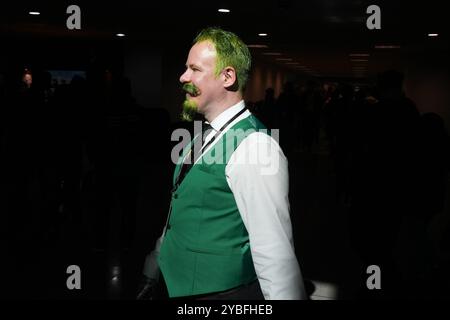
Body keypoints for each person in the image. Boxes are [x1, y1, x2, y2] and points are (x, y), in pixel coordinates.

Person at [138, 27, 306, 300]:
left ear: (228, 76)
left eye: (195, 69)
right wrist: (158, 257)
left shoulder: (255, 146)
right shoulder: (202, 134)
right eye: (185, 68)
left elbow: (274, 253)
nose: (183, 77)